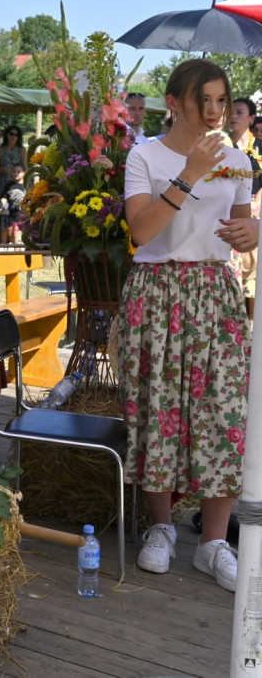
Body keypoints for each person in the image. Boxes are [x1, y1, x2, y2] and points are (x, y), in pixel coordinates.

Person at [119, 59, 257, 592]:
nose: (217, 111)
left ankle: (213, 542)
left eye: (223, 101)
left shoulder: (239, 159)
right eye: (207, 100)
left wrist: (253, 231)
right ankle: (161, 527)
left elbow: (242, 222)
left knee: (223, 414)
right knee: (160, 411)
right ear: (175, 103)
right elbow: (141, 230)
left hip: (215, 292)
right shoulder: (145, 155)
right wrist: (190, 173)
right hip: (158, 292)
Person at [229, 96, 262, 318]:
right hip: (232, 211)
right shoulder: (222, 143)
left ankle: (252, 326)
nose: (233, 116)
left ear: (251, 118)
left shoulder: (260, 146)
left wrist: (257, 203)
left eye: (239, 112)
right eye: (230, 112)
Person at [0, 124, 27, 200]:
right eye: (11, 134)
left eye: (16, 135)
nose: (13, 137)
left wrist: (21, 175)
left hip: (16, 182)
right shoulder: (0, 149)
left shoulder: (22, 150)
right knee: (1, 204)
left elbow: (25, 167)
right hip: (2, 182)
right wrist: (2, 169)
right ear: (7, 135)